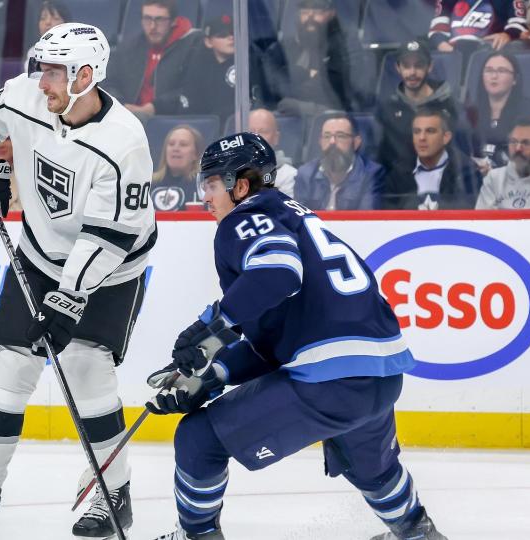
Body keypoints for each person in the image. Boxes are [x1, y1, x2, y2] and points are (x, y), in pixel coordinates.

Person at [147, 132, 446, 540]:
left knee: (199, 439)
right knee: (372, 468)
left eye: (212, 184)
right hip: (381, 376)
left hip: (329, 381)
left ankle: (196, 536)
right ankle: (416, 532)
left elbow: (278, 273)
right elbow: (273, 344)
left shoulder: (245, 217)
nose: (205, 197)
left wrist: (212, 327)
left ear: (241, 185)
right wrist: (212, 373)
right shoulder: (293, 215)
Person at [0, 23, 157, 539]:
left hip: (111, 270)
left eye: (54, 73)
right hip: (40, 255)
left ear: (86, 76)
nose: (42, 82)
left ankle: (114, 494)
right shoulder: (27, 95)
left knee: (87, 369)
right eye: (41, 69)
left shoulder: (125, 142)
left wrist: (69, 298)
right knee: (9, 369)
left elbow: (109, 238)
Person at [152, 14, 268, 121]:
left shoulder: (251, 62)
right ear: (208, 42)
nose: (231, 38)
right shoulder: (198, 67)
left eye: (234, 33)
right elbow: (190, 101)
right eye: (222, 35)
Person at [375, 39, 462, 174]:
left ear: (430, 66)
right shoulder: (388, 109)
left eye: (419, 65)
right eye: (406, 66)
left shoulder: (450, 105)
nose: (412, 72)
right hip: (400, 187)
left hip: (444, 185)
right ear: (398, 68)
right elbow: (381, 158)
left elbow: (460, 152)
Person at [107, 0, 200, 118]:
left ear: (173, 21)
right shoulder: (128, 48)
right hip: (128, 117)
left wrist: (155, 107)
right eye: (147, 19)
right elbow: (108, 82)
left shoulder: (193, 45)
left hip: (172, 119)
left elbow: (193, 88)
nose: (152, 26)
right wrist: (122, 105)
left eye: (160, 20)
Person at [261, 0, 355, 115]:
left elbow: (347, 93)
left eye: (317, 9)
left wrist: (303, 104)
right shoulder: (279, 53)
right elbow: (278, 92)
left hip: (335, 125)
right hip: (288, 125)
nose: (310, 16)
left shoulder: (344, 49)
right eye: (304, 10)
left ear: (331, 13)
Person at [466, 51, 530, 175]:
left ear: (515, 79)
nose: (494, 76)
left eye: (502, 71)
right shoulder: (468, 113)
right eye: (488, 70)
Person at [385, 107, 482, 210]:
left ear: (446, 137)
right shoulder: (397, 174)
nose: (422, 138)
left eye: (430, 131)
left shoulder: (466, 172)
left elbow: (470, 212)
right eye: (417, 132)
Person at [294, 112, 385, 210]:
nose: (332, 142)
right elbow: (300, 219)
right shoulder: (305, 174)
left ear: (356, 142)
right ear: (320, 142)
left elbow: (365, 220)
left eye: (340, 136)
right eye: (327, 136)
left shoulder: (370, 174)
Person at [429, 0, 529, 51]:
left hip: (490, 52)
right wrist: (441, 43)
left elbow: (518, 21)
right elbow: (438, 24)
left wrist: (507, 35)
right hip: (453, 53)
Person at [151, 125, 205, 211]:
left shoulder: (204, 186)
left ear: (196, 154)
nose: (175, 148)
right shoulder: (149, 183)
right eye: (171, 144)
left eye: (183, 144)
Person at [247, 108, 296, 197]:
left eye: (263, 131)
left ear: (276, 138)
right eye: (251, 131)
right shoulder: (230, 172)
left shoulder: (289, 175)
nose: (256, 137)